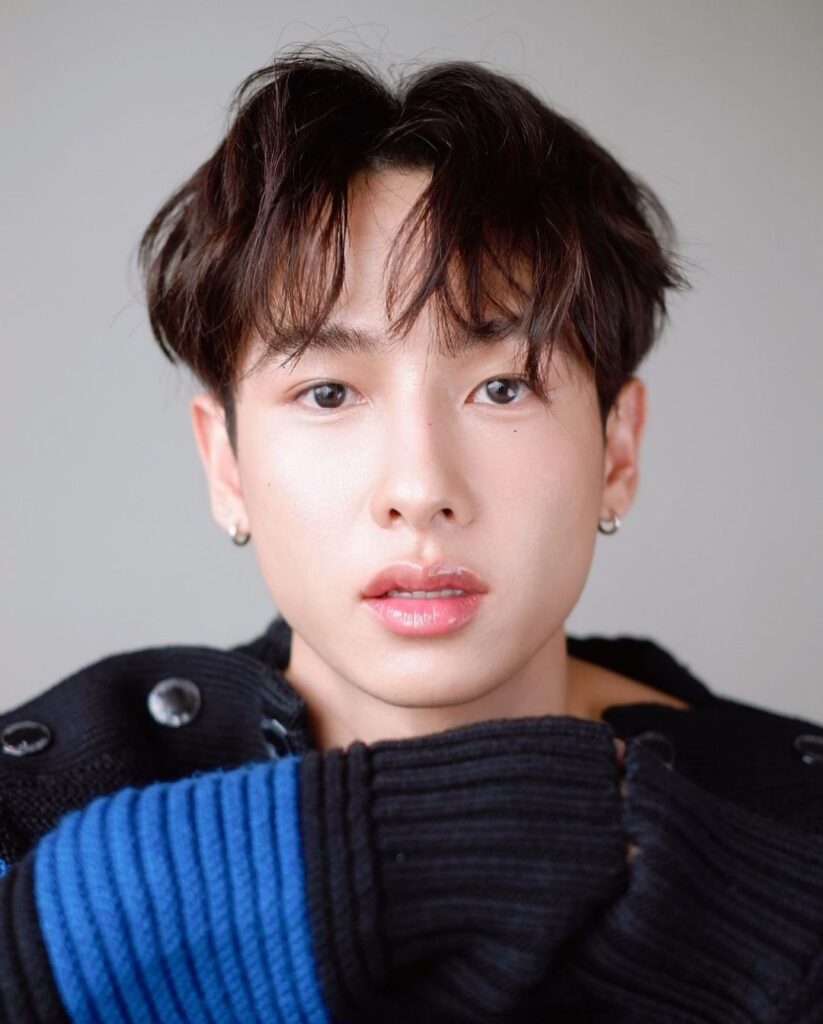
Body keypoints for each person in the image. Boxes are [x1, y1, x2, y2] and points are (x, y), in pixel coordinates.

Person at [1, 41, 822, 1024]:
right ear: (226, 465)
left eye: (503, 387)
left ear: (615, 449)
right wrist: (489, 834)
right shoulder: (47, 800)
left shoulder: (788, 828)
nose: (420, 489)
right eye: (328, 392)